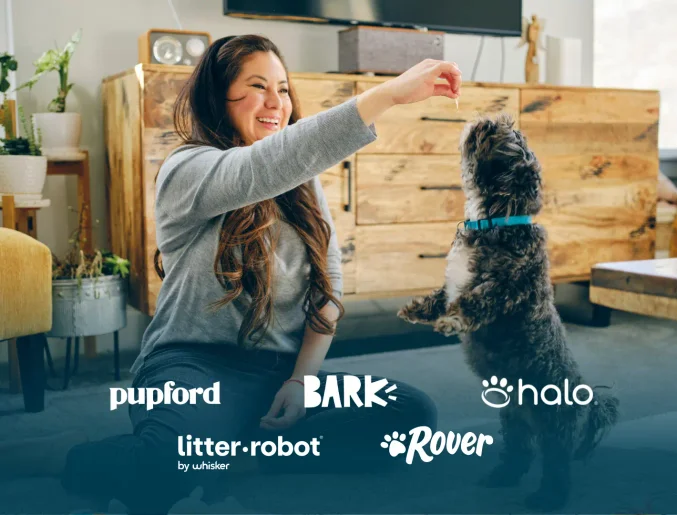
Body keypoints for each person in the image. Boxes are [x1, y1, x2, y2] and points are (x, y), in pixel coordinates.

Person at [62, 34, 462, 514]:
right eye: (258, 87)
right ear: (218, 97)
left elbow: (327, 286)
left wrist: (301, 382)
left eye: (284, 88)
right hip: (193, 365)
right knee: (168, 468)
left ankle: (240, 448)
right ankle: (93, 458)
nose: (277, 103)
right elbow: (262, 167)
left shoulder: (302, 180)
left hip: (278, 373)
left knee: (411, 419)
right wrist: (388, 95)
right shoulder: (186, 168)